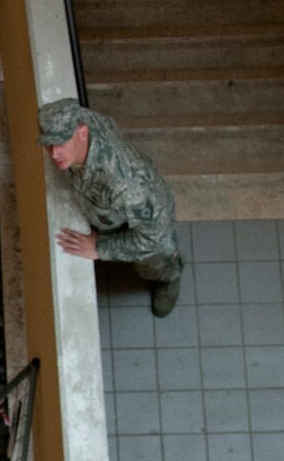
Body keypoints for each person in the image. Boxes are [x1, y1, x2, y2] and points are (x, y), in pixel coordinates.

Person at [37, 99, 183, 316]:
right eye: (49, 145)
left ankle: (169, 279)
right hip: (114, 214)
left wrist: (100, 248)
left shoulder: (124, 183)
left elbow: (153, 238)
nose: (54, 154)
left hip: (150, 223)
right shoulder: (79, 120)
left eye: (61, 144)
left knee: (154, 262)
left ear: (82, 132)